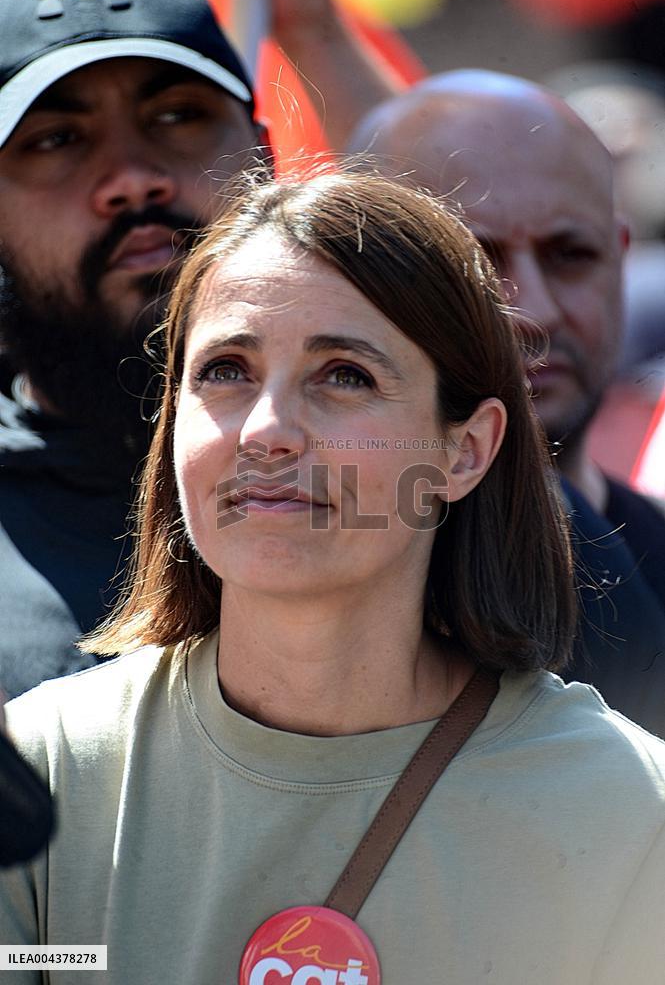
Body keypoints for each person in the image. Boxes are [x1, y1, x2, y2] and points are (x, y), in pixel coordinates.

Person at [2, 171, 665, 982]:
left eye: (344, 374)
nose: (268, 430)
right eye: (225, 371)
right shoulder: (40, 775)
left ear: (464, 450)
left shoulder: (626, 811)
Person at [0, 0, 395, 699]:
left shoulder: (419, 470)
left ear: (267, 159)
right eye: (57, 139)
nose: (133, 180)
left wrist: (318, 36)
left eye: (178, 116)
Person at [348, 70, 665, 734]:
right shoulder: (299, 582)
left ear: (619, 256)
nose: (535, 310)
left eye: (570, 255)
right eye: (477, 261)